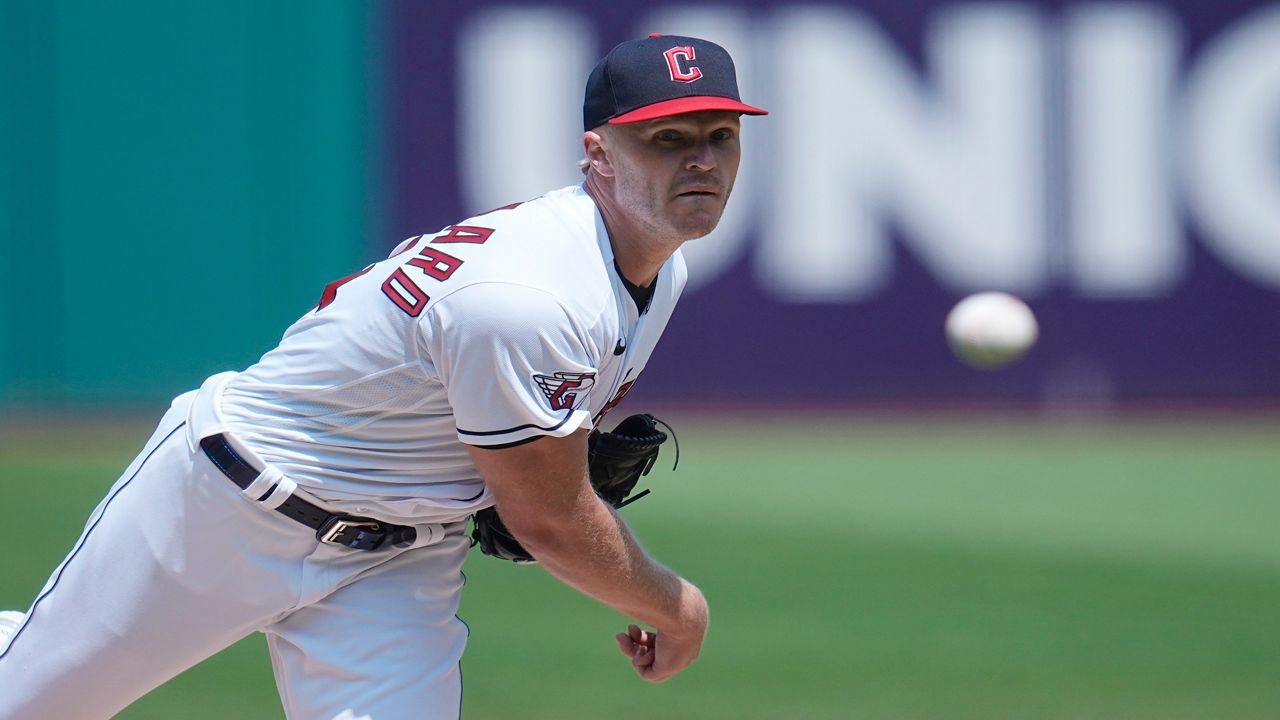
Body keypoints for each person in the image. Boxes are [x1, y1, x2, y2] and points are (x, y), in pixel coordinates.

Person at [0, 33, 766, 719]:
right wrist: (677, 607)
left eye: (720, 137)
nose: (701, 159)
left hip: (398, 559)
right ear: (599, 155)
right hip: (229, 508)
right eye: (667, 138)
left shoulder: (659, 273)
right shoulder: (526, 296)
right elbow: (550, 522)